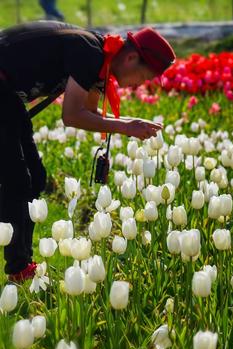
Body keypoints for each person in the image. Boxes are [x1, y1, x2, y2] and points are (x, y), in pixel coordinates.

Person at [0, 21, 175, 282]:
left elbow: (90, 113)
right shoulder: (91, 53)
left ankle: (21, 263)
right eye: (144, 77)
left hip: (7, 96)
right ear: (131, 58)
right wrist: (128, 128)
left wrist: (132, 124)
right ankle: (19, 269)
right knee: (17, 181)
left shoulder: (100, 56)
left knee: (34, 177)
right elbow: (71, 116)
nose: (138, 85)